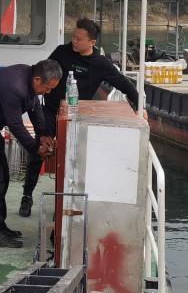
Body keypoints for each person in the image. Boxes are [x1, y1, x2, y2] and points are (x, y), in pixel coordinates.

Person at [19, 18, 140, 218]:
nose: (73, 41)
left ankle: (71, 199)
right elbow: (42, 71)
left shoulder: (101, 64)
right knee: (40, 149)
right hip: (50, 111)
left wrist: (141, 106)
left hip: (77, 116)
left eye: (79, 39)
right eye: (73, 37)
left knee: (76, 157)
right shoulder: (61, 52)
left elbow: (123, 84)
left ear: (92, 42)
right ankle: (27, 196)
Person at [0, 60, 61, 247]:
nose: (48, 93)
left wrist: (44, 135)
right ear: (38, 79)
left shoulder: (29, 78)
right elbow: (15, 124)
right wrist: (35, 147)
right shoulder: (15, 87)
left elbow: (35, 109)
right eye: (47, 88)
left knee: (3, 177)